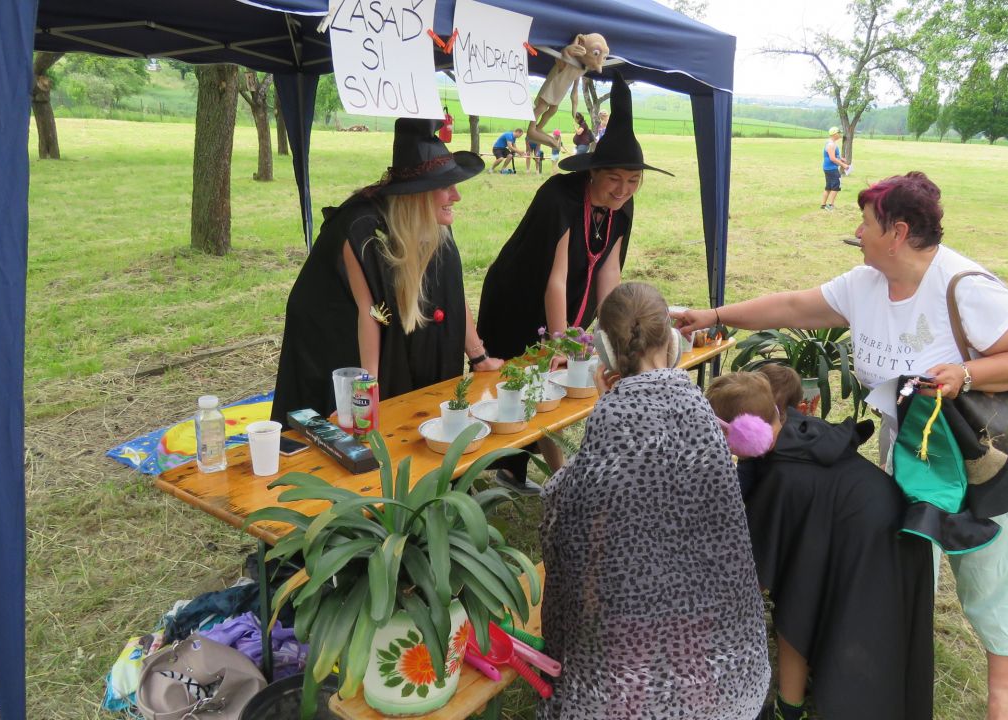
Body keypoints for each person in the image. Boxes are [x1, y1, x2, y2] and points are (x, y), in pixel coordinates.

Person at [674, 171, 1008, 720]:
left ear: (898, 232)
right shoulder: (866, 284)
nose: (857, 231)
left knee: (988, 573)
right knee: (911, 564)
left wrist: (965, 374)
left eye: (866, 222)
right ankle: (897, 667)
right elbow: (794, 306)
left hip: (977, 455)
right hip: (912, 454)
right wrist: (715, 317)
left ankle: (1003, 684)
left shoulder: (966, 287)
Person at [538, 282, 770, 720]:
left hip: (626, 632)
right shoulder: (699, 407)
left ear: (606, 353)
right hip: (707, 630)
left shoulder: (613, 414)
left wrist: (606, 406)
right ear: (673, 341)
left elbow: (569, 516)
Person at [707, 370, 933, 720]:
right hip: (887, 525)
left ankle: (789, 708)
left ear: (742, 432)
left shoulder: (783, 477)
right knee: (801, 590)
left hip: (875, 545)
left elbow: (758, 578)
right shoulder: (799, 433)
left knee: (797, 601)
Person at [477, 72, 670, 481]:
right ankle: (512, 469)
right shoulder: (559, 197)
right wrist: (559, 342)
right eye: (614, 178)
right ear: (593, 172)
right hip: (518, 300)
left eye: (633, 181)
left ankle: (557, 477)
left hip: (567, 301)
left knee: (556, 385)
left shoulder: (623, 207)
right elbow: (555, 277)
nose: (623, 190)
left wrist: (616, 334)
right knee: (524, 385)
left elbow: (609, 271)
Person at [270, 118, 501, 423]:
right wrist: (366, 392)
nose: (456, 196)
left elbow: (453, 294)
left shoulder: (435, 224)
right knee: (353, 422)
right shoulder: (362, 232)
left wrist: (479, 357)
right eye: (446, 187)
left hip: (382, 323)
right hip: (332, 330)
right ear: (419, 194)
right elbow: (372, 313)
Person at [821, 126, 850, 212]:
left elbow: (834, 156)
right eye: (838, 133)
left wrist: (841, 158)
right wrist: (843, 165)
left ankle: (823, 205)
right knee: (836, 186)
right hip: (831, 168)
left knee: (829, 187)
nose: (840, 134)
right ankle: (831, 205)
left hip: (829, 168)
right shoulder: (831, 144)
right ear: (834, 134)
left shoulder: (831, 143)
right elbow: (832, 158)